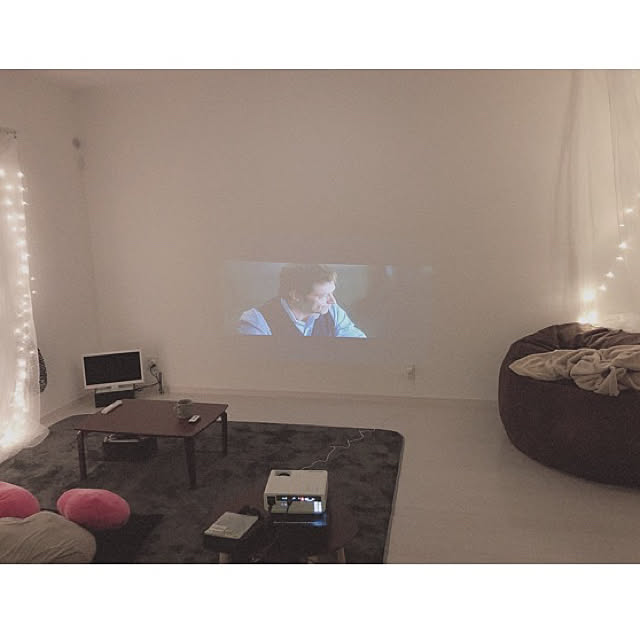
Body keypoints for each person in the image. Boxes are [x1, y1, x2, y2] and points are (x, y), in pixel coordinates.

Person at [237, 264, 366, 337]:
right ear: (295, 295)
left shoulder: (334, 312)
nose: (333, 301)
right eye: (322, 296)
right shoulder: (256, 321)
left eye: (331, 293)